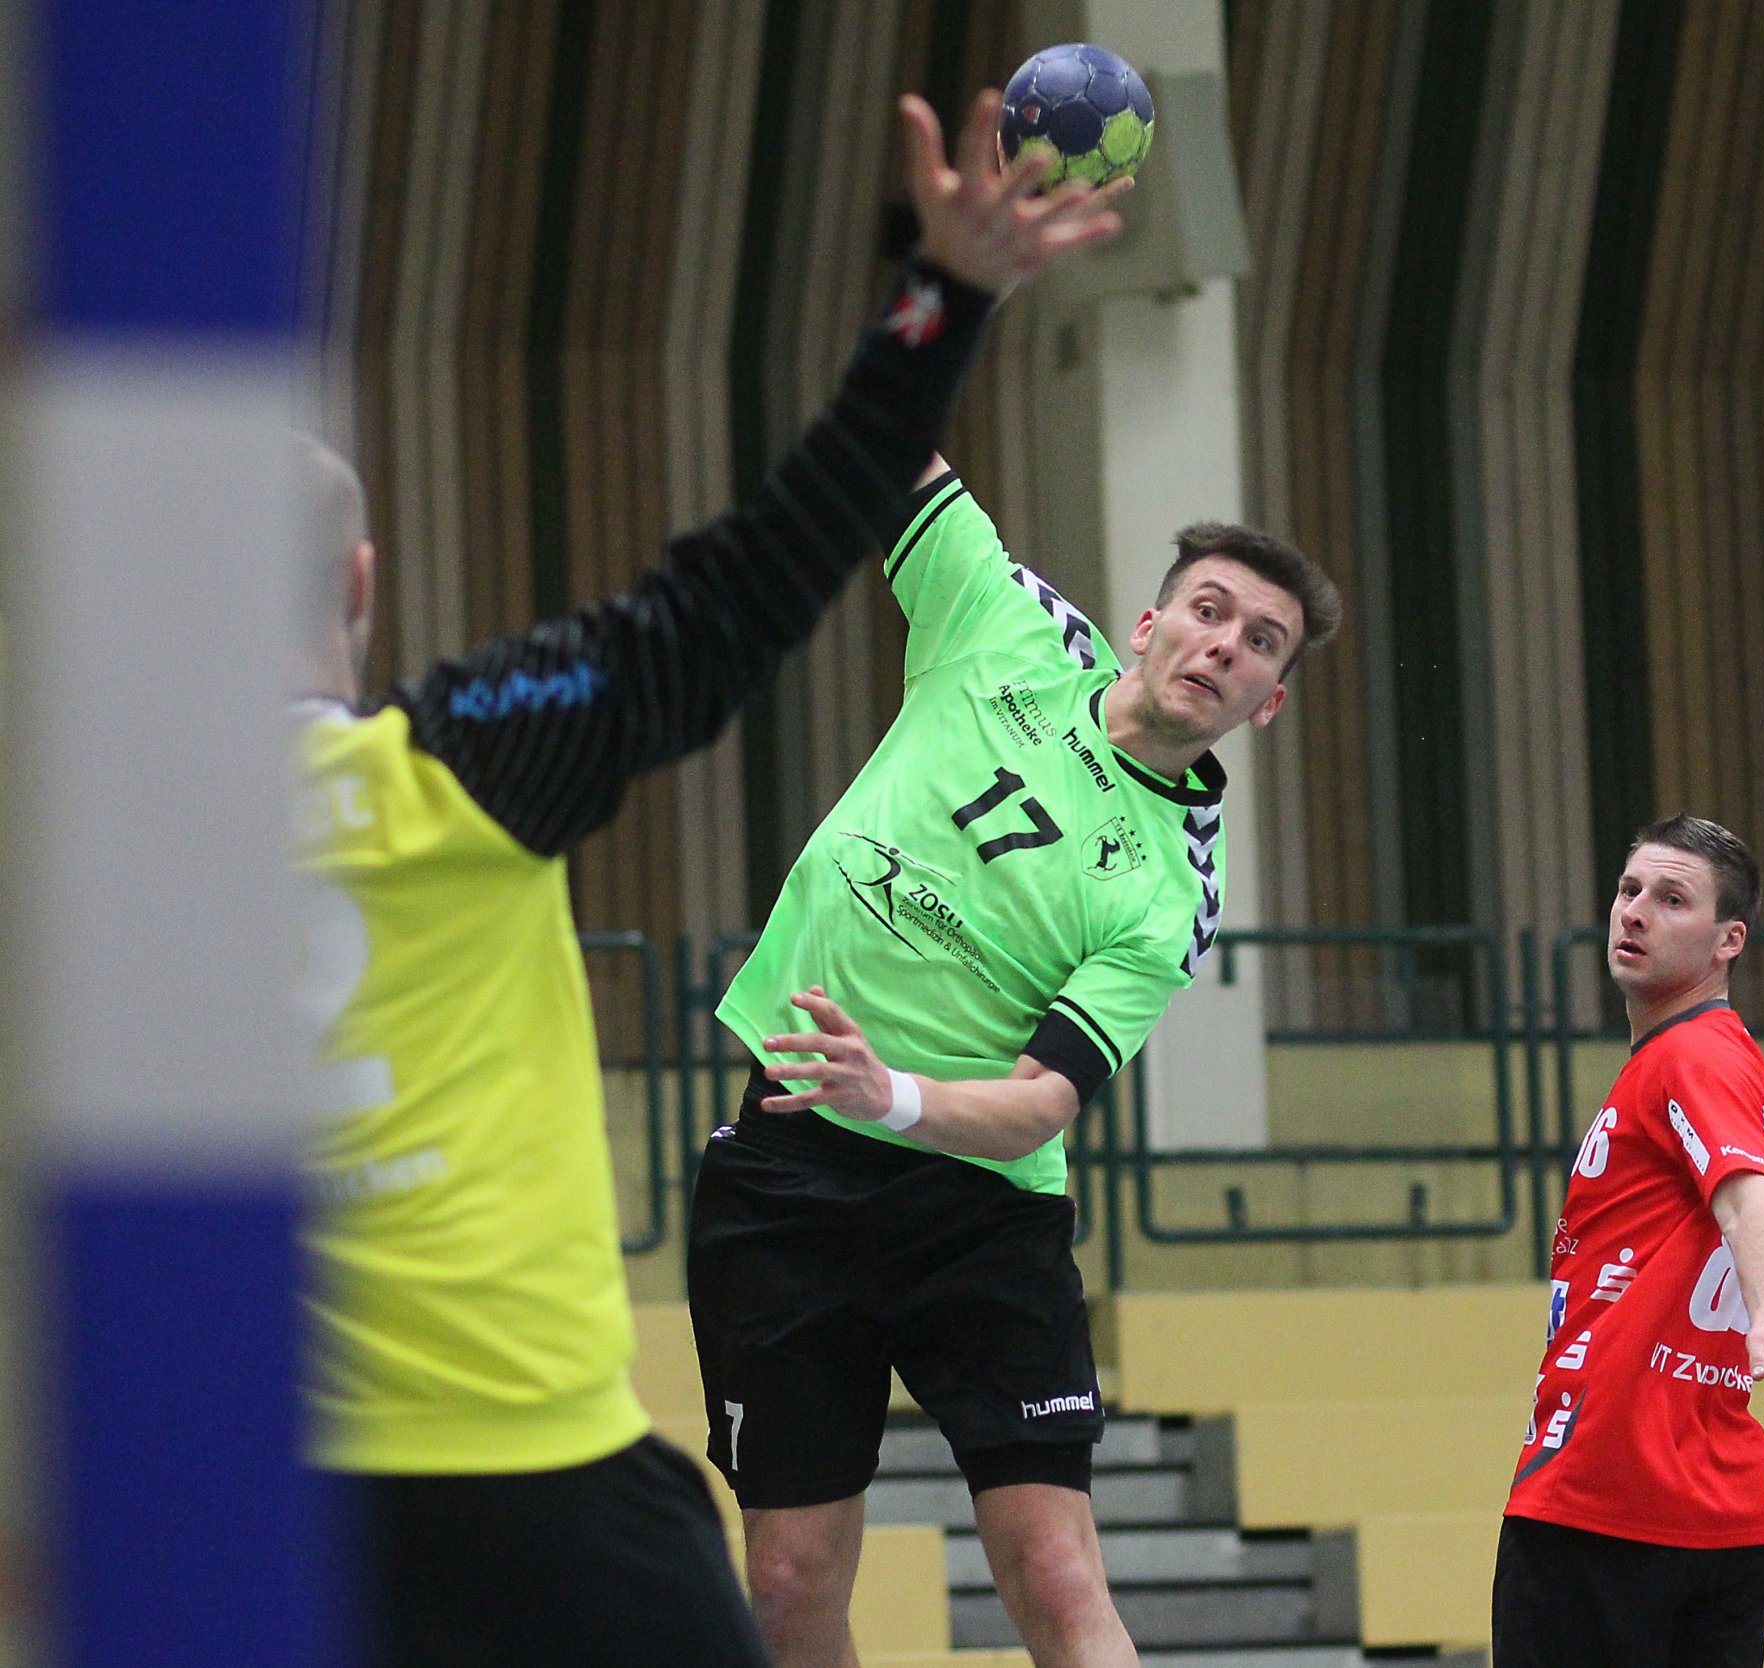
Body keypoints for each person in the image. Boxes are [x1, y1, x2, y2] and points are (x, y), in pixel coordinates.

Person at [290, 90, 1127, 1668]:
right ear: (359, 580)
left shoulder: (80, 850)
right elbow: (751, 577)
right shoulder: (460, 768)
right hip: (533, 1484)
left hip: (239, 1493)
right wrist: (942, 296)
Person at [686, 445, 1342, 1665]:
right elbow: (893, 444)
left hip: (980, 1211)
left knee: (1051, 1569)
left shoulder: (1173, 891)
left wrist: (890, 1096)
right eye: (1208, 612)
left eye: (1261, 644)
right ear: (1147, 626)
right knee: (786, 1577)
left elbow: (1041, 1104)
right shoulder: (1005, 625)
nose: (1223, 647)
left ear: (1269, 701)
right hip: (790, 1171)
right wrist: (925, 324)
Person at [1495, 814, 1764, 1668]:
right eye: (1629, 889)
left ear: (1731, 941)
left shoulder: (1687, 1059)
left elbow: (1745, 1201)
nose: (1635, 911)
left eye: (1672, 898)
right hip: (1732, 1529)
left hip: (1603, 1502)